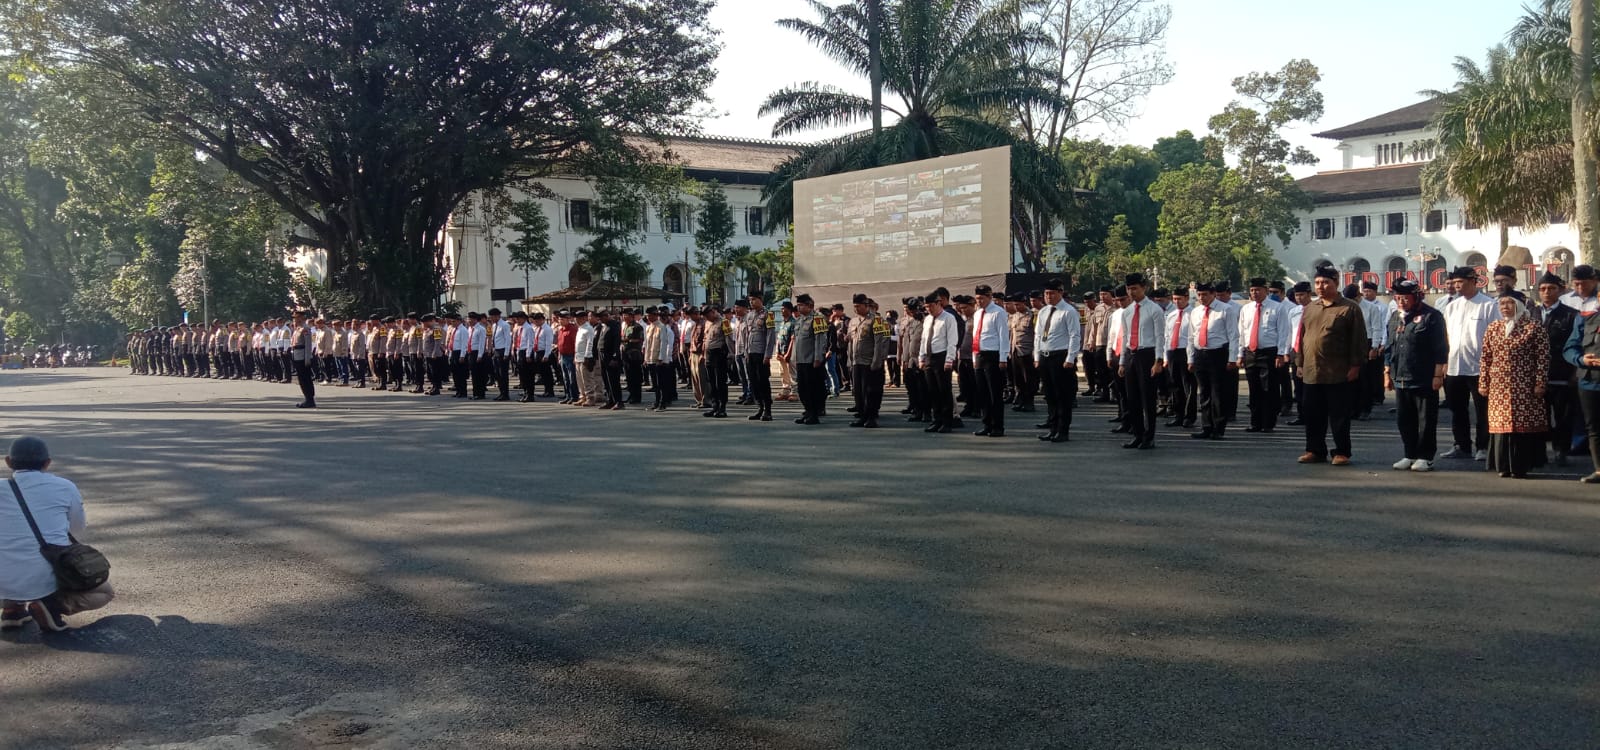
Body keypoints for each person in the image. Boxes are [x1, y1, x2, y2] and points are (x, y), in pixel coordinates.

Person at [1, 437, 114, 632]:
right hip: (44, 580)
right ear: (47, 463)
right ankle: (53, 606)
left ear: (8, 462)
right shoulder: (64, 486)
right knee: (105, 592)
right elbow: (76, 530)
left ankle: (12, 609)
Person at [1296, 266, 1368, 465]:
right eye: (1317, 283)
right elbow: (1302, 337)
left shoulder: (1349, 308)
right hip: (1312, 370)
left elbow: (1359, 340)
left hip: (1338, 372)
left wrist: (1355, 366)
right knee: (1312, 414)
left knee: (1339, 416)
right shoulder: (1310, 307)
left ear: (1336, 282)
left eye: (1325, 282)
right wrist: (1299, 363)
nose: (1320, 286)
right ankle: (1315, 450)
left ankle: (1341, 451)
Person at [1480, 295, 1549, 478]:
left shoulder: (1533, 327)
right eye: (1502, 304)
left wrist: (1540, 383)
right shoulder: (1494, 328)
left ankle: (1521, 465)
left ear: (1519, 305)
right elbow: (1486, 357)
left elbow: (1542, 358)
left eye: (1510, 303)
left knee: (1521, 426)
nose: (1505, 307)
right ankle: (1503, 465)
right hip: (1499, 387)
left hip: (1525, 386)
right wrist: (1483, 382)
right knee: (1501, 425)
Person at [1383, 279, 1447, 472]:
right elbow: (1389, 346)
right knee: (1404, 419)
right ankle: (1409, 454)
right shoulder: (1395, 316)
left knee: (1425, 419)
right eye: (1398, 297)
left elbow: (1441, 348)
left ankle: (1425, 456)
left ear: (1416, 296)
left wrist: (1438, 375)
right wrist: (1387, 372)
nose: (1401, 301)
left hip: (1424, 376)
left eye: (1405, 297)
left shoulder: (1432, 316)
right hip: (1400, 375)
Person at [1440, 267, 1496, 461]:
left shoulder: (1489, 305)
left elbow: (1495, 336)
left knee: (1483, 409)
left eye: (1461, 282)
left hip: (1480, 367)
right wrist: (1444, 363)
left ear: (1474, 281)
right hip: (1455, 365)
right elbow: (1445, 337)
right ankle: (1461, 445)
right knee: (1457, 409)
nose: (1457, 286)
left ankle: (1483, 446)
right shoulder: (1452, 307)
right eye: (1455, 282)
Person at [1532, 273, 1580, 466]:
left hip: (1562, 372)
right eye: (1543, 289)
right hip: (1536, 375)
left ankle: (1561, 451)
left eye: (1551, 288)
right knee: (1538, 415)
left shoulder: (1571, 314)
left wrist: (1575, 371)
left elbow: (1576, 344)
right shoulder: (1531, 313)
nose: (1546, 292)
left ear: (1560, 290)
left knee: (1563, 416)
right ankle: (1539, 451)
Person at [1117, 273, 1166, 450]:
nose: (1131, 292)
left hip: (1148, 355)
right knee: (1133, 398)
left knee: (1148, 398)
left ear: (1143, 288)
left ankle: (1149, 436)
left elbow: (1160, 337)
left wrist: (1158, 361)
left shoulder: (1154, 310)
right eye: (1129, 289)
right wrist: (1122, 362)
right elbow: (1125, 337)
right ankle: (1137, 434)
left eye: (1135, 289)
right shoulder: (1127, 312)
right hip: (1131, 355)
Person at [1237, 277, 1289, 433]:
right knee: (1254, 389)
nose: (1255, 293)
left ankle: (1268, 423)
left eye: (1258, 290)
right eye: (1252, 290)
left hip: (1269, 352)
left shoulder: (1277, 308)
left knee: (1268, 389)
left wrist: (1281, 354)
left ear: (1266, 290)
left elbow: (1283, 332)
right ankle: (1255, 422)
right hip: (1250, 352)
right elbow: (1242, 332)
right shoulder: (1246, 309)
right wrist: (1240, 354)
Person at [1033, 278, 1081, 443]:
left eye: (1052, 293)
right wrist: (1036, 356)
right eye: (1046, 293)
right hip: (1045, 356)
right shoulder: (1043, 312)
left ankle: (1063, 430)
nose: (1049, 296)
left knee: (1063, 396)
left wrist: (1071, 358)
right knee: (1050, 395)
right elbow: (1038, 335)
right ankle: (1052, 428)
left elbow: (1075, 335)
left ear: (1060, 293)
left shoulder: (1068, 311)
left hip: (1060, 357)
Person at [1187, 282, 1237, 440]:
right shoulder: (1195, 312)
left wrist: (1232, 358)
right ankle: (1206, 426)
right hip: (1200, 354)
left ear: (1213, 294)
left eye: (1205, 294)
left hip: (1218, 353)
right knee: (1204, 393)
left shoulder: (1225, 309)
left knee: (1218, 392)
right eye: (1199, 295)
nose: (1201, 298)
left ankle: (1218, 427)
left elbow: (1233, 335)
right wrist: (1191, 358)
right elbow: (1191, 337)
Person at [969, 285, 1011, 437]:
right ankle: (986, 424)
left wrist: (1003, 358)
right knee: (983, 393)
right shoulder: (978, 313)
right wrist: (974, 357)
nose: (979, 301)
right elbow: (975, 336)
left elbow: (1003, 336)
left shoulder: (998, 312)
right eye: (977, 298)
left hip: (993, 355)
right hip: (980, 355)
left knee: (995, 394)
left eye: (981, 298)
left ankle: (997, 426)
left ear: (989, 296)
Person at [846, 293, 892, 428]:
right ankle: (862, 416)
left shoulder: (877, 320)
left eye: (858, 306)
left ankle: (871, 417)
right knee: (858, 391)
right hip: (856, 361)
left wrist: (877, 361)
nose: (856, 309)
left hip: (869, 362)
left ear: (866, 306)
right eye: (854, 306)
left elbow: (880, 343)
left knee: (870, 391)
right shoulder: (854, 321)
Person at [920, 292, 961, 433]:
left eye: (931, 306)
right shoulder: (927, 320)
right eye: (926, 307)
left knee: (944, 391)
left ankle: (947, 421)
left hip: (942, 357)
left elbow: (952, 341)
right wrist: (922, 357)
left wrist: (949, 359)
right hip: (929, 357)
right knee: (932, 391)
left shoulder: (948, 318)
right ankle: (936, 420)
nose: (929, 309)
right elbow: (924, 339)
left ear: (939, 303)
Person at [790, 294, 829, 425]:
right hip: (801, 359)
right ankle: (807, 411)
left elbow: (821, 340)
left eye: (802, 305)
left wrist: (818, 357)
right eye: (798, 305)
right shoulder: (799, 320)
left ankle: (814, 413)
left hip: (812, 359)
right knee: (802, 389)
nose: (799, 307)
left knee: (813, 388)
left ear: (810, 305)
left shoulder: (818, 319)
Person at [1163, 285, 1196, 430]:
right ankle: (1178, 414)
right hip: (1172, 351)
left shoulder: (1193, 314)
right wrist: (1165, 357)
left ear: (1187, 298)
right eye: (1174, 299)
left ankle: (1189, 416)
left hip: (1186, 352)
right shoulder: (1171, 315)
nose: (1177, 302)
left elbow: (1193, 337)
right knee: (1175, 385)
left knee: (1188, 386)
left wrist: (1191, 358)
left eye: (1180, 299)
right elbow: (1166, 337)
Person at [289, 309, 317, 408]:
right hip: (297, 355)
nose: (294, 320)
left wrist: (307, 358)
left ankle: (310, 399)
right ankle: (307, 398)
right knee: (301, 379)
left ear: (301, 318)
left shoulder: (305, 328)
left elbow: (308, 345)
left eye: (296, 318)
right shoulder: (297, 329)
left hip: (303, 356)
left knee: (306, 379)